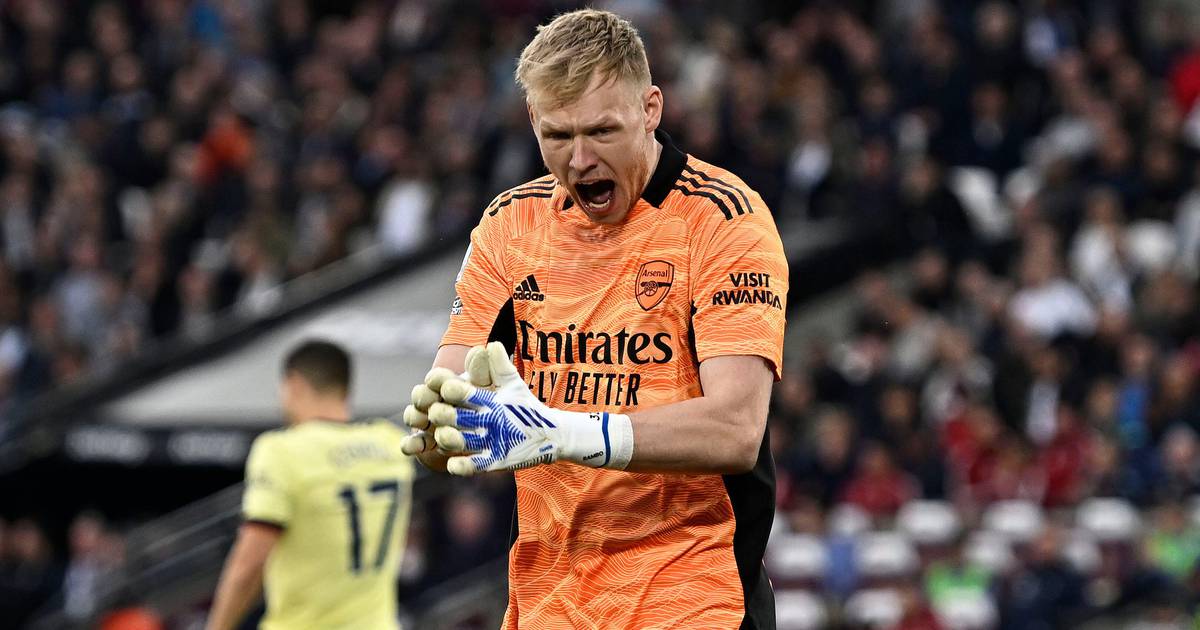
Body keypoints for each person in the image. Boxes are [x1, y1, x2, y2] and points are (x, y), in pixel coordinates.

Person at [402, 9, 788, 629]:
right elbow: (455, 402)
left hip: (692, 601)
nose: (580, 159)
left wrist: (568, 433)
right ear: (532, 123)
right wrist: (442, 429)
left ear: (651, 109)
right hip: (546, 607)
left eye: (602, 131)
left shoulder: (723, 221)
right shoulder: (510, 227)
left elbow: (735, 429)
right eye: (557, 136)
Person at [205, 340, 414, 630]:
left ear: (294, 384)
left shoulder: (282, 451)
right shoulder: (390, 444)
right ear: (345, 389)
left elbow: (248, 565)